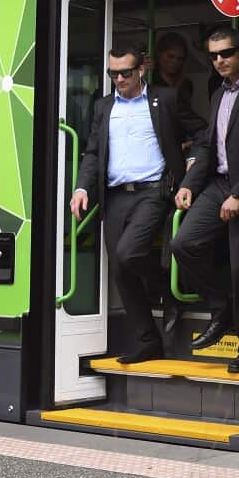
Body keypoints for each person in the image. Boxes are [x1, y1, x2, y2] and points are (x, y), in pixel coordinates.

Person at [70, 44, 206, 363]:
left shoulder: (165, 99)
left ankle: (166, 286)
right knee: (120, 269)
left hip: (153, 191)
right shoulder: (103, 107)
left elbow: (202, 132)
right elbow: (92, 152)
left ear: (141, 70)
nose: (118, 79)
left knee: (128, 253)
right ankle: (149, 341)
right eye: (112, 73)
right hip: (115, 194)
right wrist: (81, 188)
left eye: (125, 73)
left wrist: (192, 161)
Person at [170, 26, 239, 374]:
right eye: (214, 55)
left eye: (226, 53)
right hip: (217, 183)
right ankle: (223, 310)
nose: (219, 60)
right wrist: (189, 183)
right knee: (183, 244)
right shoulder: (218, 94)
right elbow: (206, 144)